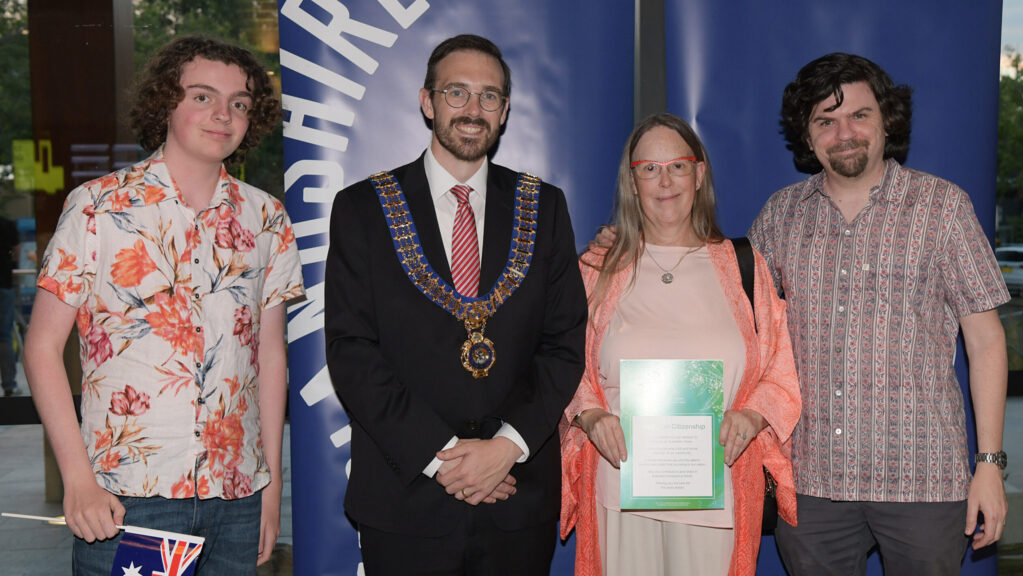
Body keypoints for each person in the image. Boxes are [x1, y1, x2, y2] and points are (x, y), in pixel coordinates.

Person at [24, 36, 304, 575]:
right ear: (164, 104)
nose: (223, 114)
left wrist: (270, 489)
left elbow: (269, 359)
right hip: (129, 498)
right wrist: (78, 481)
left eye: (239, 103)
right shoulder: (98, 208)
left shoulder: (266, 218)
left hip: (236, 497)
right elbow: (41, 348)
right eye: (202, 97)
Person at [324, 34, 587, 575]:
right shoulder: (363, 208)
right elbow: (352, 352)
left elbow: (563, 345)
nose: (473, 109)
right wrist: (443, 457)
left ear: (506, 111)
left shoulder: (546, 206)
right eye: (457, 93)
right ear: (427, 101)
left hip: (516, 493)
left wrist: (505, 447)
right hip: (404, 499)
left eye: (489, 96)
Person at [748, 53, 1009, 575]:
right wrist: (626, 247)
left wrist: (990, 465)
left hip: (924, 481)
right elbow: (735, 315)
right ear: (808, 135)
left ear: (887, 120)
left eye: (859, 115)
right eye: (825, 120)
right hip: (813, 484)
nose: (844, 132)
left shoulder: (944, 208)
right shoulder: (780, 215)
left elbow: (986, 342)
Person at [560, 113, 801, 576]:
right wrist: (589, 415)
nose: (664, 180)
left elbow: (781, 368)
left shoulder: (745, 267)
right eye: (649, 167)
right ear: (632, 182)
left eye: (678, 165)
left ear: (700, 174)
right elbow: (564, 361)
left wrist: (752, 415)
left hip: (719, 495)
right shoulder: (596, 270)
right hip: (619, 491)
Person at [0, 215, 20, 396]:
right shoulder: (7, 224)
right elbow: (16, 250)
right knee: (4, 335)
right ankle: (9, 383)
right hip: (4, 282)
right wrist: (13, 264)